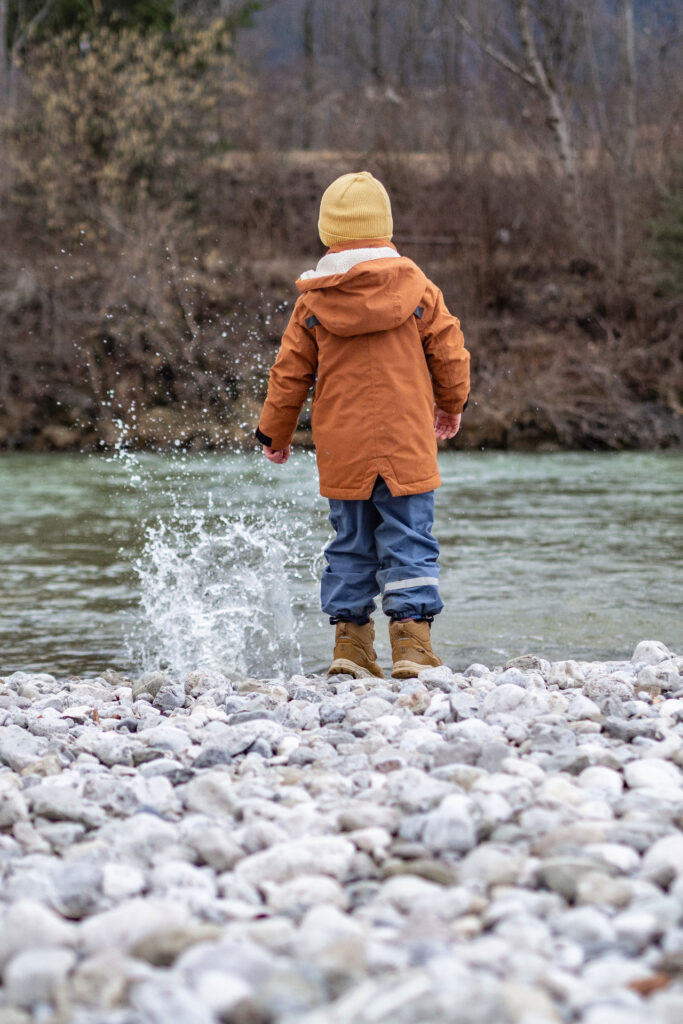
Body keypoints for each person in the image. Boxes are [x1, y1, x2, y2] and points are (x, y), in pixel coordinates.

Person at [255, 171, 470, 679]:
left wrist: (275, 434)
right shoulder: (419, 290)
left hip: (343, 446)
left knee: (349, 543)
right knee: (409, 536)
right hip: (406, 441)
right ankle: (413, 647)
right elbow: (450, 351)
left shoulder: (313, 302)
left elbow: (289, 374)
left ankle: (350, 648)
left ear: (328, 233)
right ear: (386, 228)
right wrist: (451, 404)